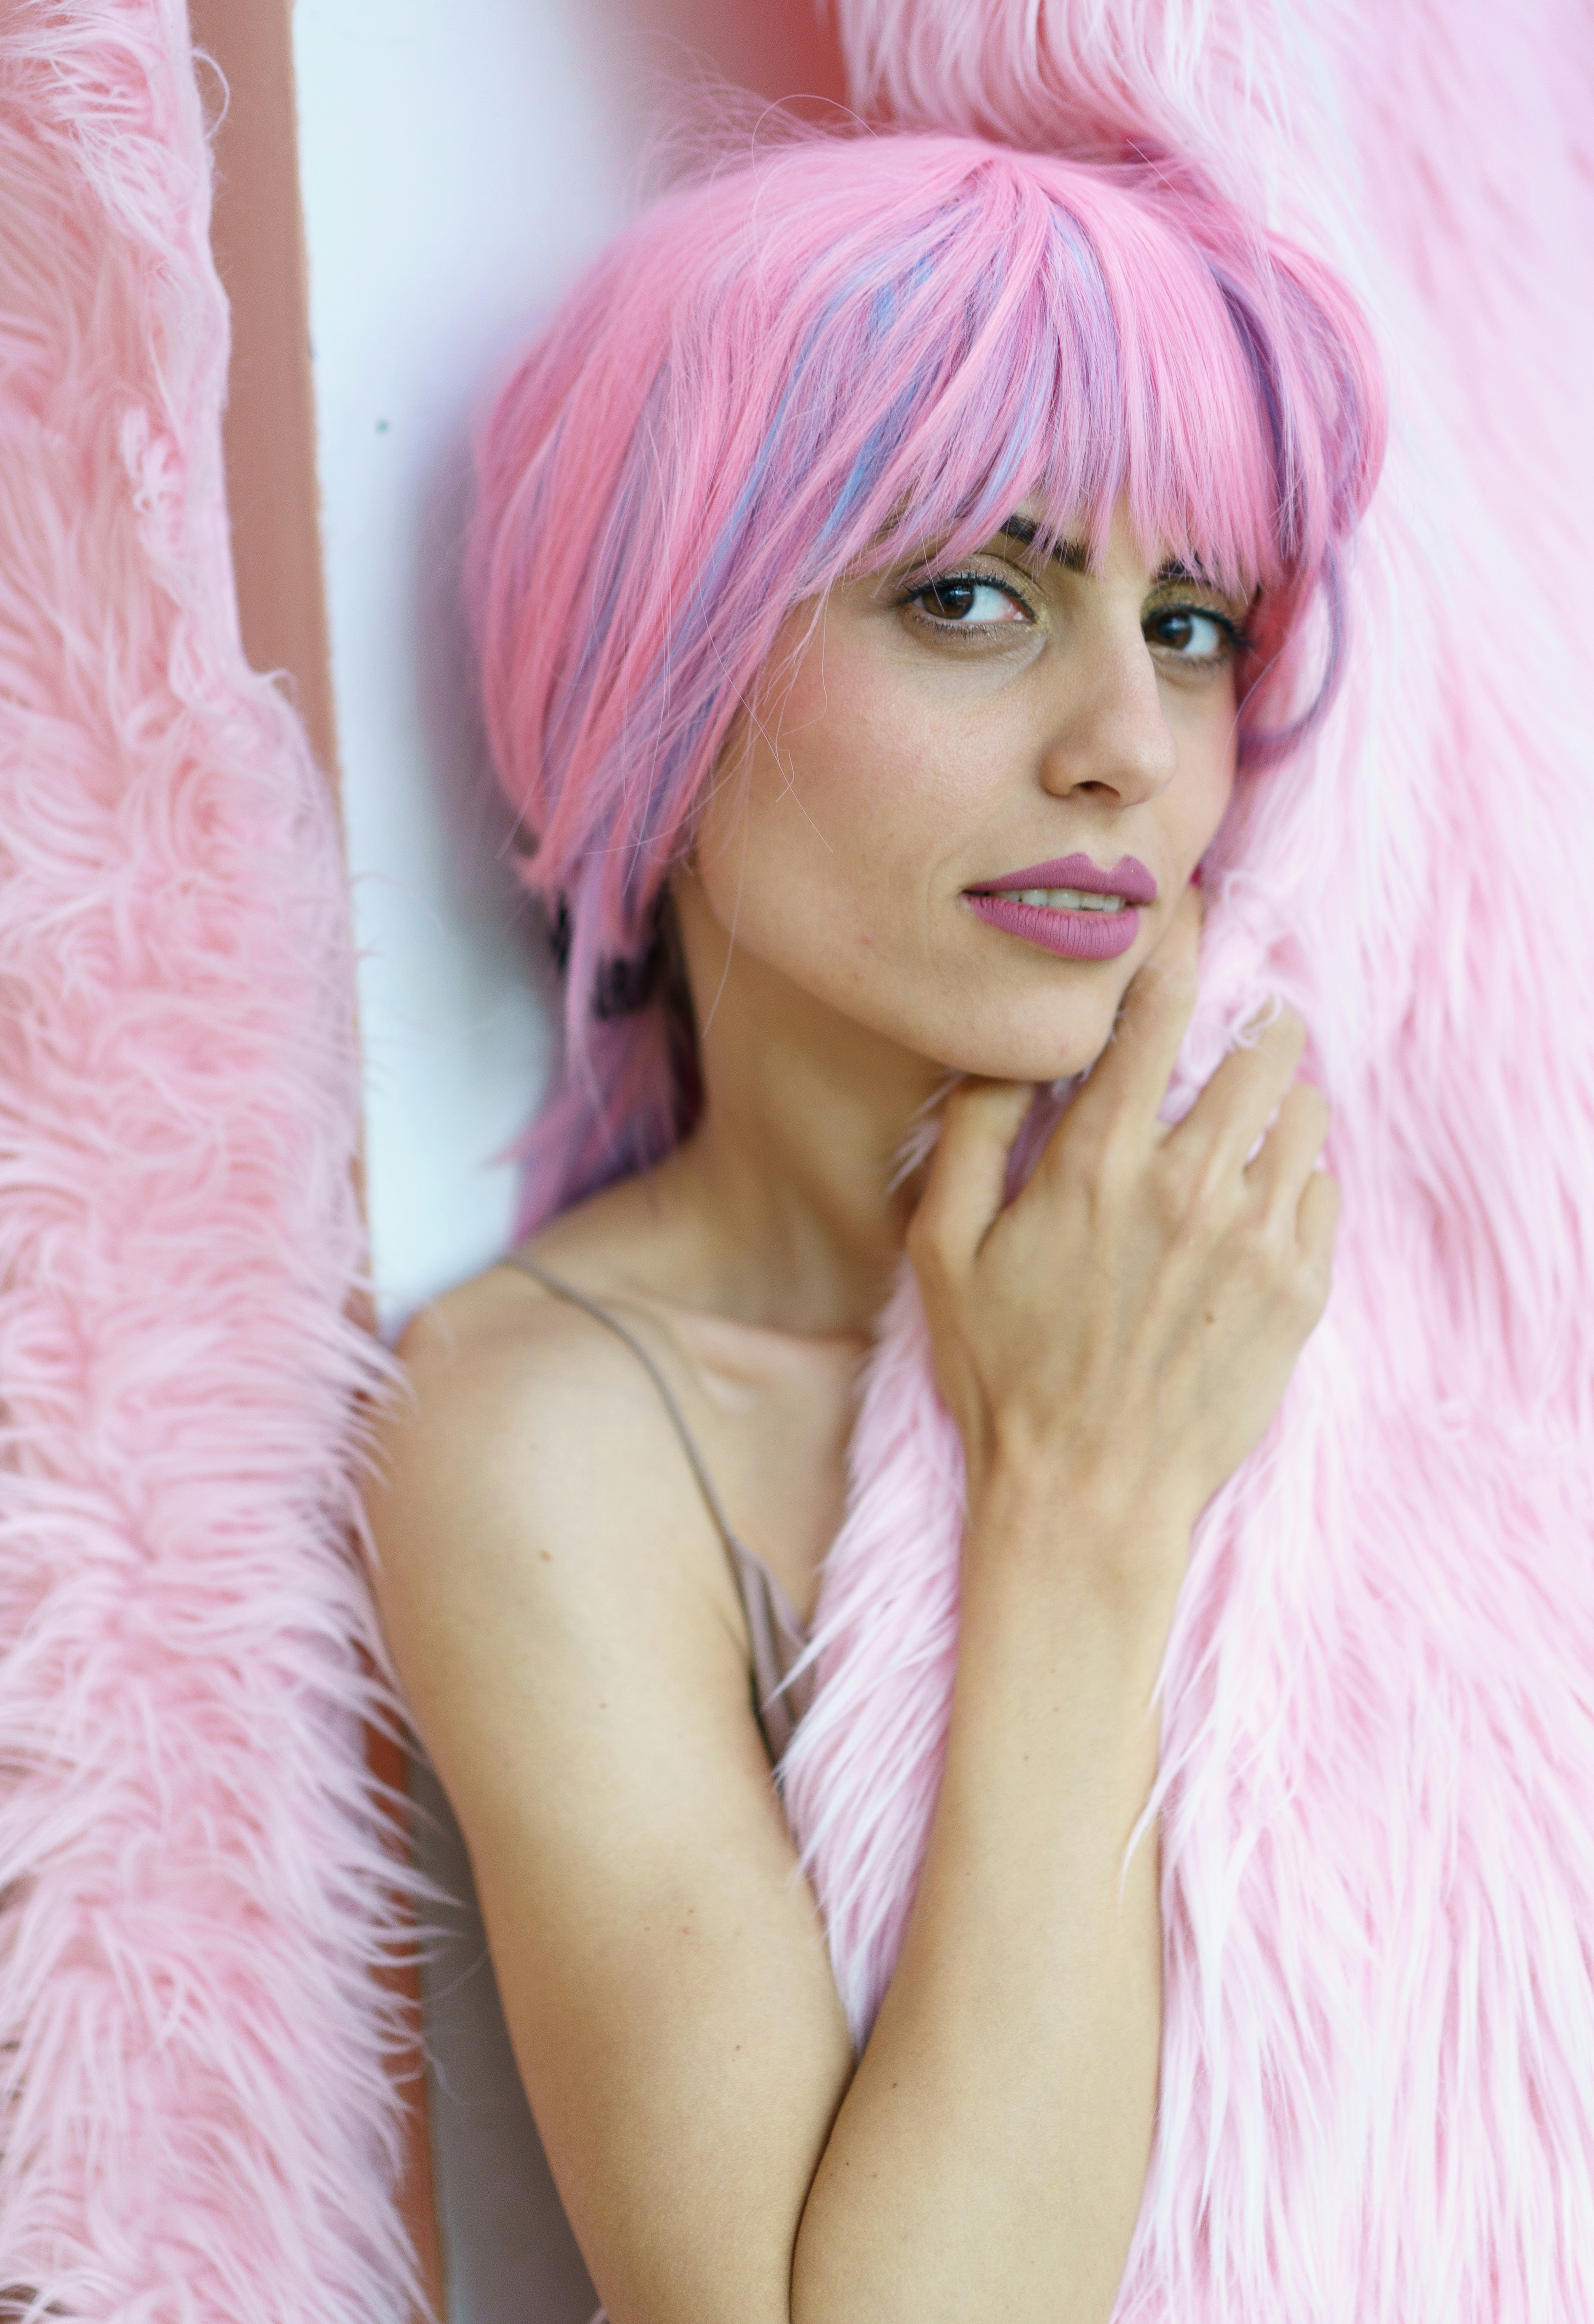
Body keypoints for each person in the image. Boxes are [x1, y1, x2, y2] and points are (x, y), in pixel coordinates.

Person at [365, 129, 1381, 2322]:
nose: (1129, 748)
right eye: (971, 598)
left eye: (1190, 625)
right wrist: (1079, 1512)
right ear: (666, 653)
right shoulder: (548, 1430)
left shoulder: (1321, 1267)